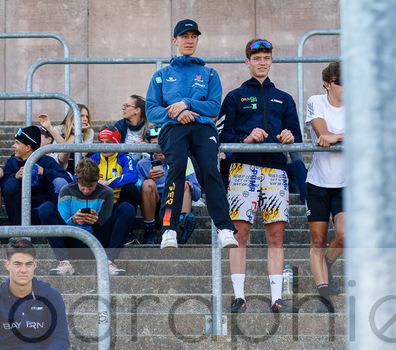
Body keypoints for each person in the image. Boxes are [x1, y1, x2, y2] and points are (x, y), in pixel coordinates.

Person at [219, 38, 302, 314]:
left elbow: (297, 136)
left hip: (276, 170)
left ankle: (276, 299)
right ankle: (239, 296)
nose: (262, 62)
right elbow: (222, 136)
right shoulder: (234, 97)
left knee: (276, 235)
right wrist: (246, 138)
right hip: (243, 168)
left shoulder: (285, 98)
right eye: (256, 58)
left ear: (272, 61)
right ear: (247, 62)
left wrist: (289, 136)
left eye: (266, 57)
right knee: (239, 233)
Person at [146, 19, 239, 251]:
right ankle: (168, 228)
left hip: (202, 128)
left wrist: (186, 105)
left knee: (210, 168)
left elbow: (214, 108)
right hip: (173, 129)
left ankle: (225, 228)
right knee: (176, 168)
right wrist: (177, 114)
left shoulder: (209, 74)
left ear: (197, 40)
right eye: (184, 36)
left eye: (193, 37)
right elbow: (151, 110)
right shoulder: (161, 75)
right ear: (174, 40)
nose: (189, 41)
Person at [40, 157, 128, 277]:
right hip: (71, 240)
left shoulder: (107, 192)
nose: (86, 190)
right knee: (46, 207)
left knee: (126, 208)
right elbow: (62, 225)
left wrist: (95, 222)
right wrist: (73, 220)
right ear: (77, 180)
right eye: (82, 186)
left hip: (98, 241)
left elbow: (104, 225)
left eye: (90, 186)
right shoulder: (66, 190)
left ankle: (109, 261)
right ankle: (64, 262)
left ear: (98, 180)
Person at [305, 60, 345, 313]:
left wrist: (339, 136)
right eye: (341, 82)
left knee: (345, 235)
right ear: (328, 84)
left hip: (347, 183)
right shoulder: (315, 101)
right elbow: (323, 135)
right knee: (318, 240)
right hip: (318, 181)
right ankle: (324, 296)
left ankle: (326, 265)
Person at [131, 126, 201, 246]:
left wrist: (190, 186)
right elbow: (134, 192)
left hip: (174, 209)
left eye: (162, 143)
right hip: (156, 210)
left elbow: (197, 194)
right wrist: (147, 178)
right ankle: (150, 231)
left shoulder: (184, 160)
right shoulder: (143, 164)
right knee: (148, 184)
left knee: (183, 184)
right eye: (154, 144)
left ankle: (181, 225)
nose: (159, 149)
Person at [1, 124, 71, 227]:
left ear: (28, 148)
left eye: (17, 143)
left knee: (59, 181)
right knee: (10, 184)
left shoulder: (46, 161)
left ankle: (53, 227)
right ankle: (17, 232)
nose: (13, 146)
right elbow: (2, 184)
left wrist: (45, 172)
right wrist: (14, 176)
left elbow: (67, 180)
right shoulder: (12, 162)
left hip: (44, 211)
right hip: (19, 214)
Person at [88, 127, 140, 210]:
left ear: (116, 143)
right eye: (101, 142)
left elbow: (132, 176)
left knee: (131, 189)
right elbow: (77, 176)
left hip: (118, 203)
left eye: (108, 142)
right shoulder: (94, 158)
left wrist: (108, 182)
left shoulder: (124, 158)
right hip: (97, 203)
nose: (104, 146)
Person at [38, 104, 93, 174]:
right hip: (61, 165)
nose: (85, 119)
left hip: (80, 167)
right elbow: (61, 153)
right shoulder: (59, 129)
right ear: (72, 116)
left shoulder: (89, 131)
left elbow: (82, 153)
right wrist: (74, 133)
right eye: (81, 116)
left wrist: (80, 132)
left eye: (87, 116)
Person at [112, 94, 149, 164]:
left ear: (137, 110)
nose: (123, 108)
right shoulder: (119, 126)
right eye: (124, 105)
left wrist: (145, 147)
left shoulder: (149, 128)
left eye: (127, 106)